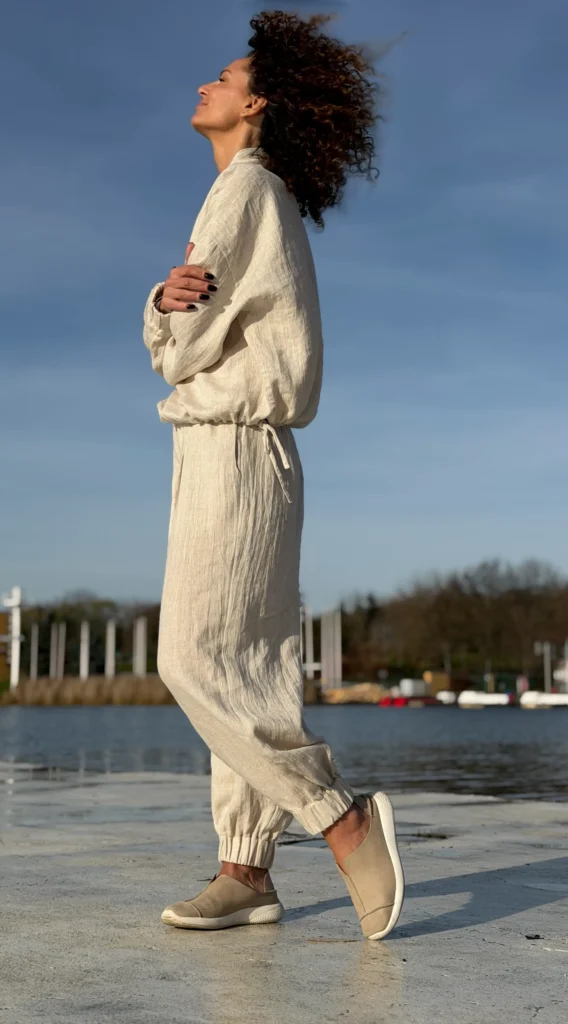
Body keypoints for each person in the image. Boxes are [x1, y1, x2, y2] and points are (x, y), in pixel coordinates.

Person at [142, 10, 404, 941]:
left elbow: (179, 352)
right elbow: (191, 315)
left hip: (233, 446)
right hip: (248, 453)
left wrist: (159, 312)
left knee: (192, 658)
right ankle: (246, 871)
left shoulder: (245, 189)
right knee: (246, 667)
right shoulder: (253, 194)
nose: (204, 85)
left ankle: (338, 814)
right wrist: (165, 298)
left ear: (258, 104)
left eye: (222, 76)